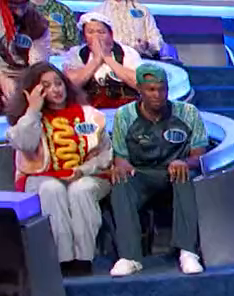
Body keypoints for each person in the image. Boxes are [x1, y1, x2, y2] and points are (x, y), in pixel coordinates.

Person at [4, 61, 111, 277]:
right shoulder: (26, 120)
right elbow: (24, 144)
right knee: (52, 189)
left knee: (80, 190)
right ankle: (63, 260)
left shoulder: (89, 115)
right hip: (40, 179)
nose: (55, 89)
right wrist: (33, 111)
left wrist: (83, 170)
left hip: (87, 175)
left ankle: (84, 259)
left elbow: (106, 154)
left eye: (58, 83)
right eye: (46, 86)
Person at [107, 63, 205, 276]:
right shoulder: (124, 115)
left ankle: (188, 252)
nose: (157, 95)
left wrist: (184, 162)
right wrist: (122, 166)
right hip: (141, 174)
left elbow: (199, 155)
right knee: (121, 181)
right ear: (139, 90)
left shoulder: (187, 113)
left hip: (173, 173)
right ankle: (129, 257)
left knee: (183, 175)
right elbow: (120, 156)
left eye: (162, 89)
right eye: (151, 89)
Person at [62, 14, 141, 109]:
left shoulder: (128, 52)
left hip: (125, 108)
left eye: (101, 32)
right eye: (90, 32)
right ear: (84, 36)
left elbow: (139, 83)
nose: (96, 37)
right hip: (89, 109)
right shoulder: (76, 53)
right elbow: (70, 85)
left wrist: (108, 58)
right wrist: (96, 60)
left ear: (110, 34)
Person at [0, 0, 51, 105]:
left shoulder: (38, 24)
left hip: (23, 76)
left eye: (23, 5)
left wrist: (28, 86)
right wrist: (2, 79)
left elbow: (37, 65)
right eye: (13, 6)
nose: (19, 11)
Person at [88, 0, 165, 59]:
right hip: (112, 62)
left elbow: (156, 38)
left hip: (142, 60)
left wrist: (147, 45)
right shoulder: (98, 12)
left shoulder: (142, 10)